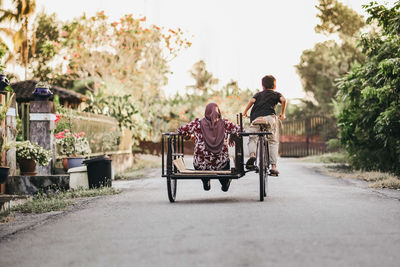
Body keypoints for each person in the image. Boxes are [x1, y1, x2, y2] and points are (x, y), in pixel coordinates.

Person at [177, 102, 240, 191]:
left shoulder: (197, 124)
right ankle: (224, 183)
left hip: (201, 165)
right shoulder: (225, 124)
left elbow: (180, 130)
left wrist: (189, 135)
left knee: (201, 163)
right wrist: (233, 135)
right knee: (223, 163)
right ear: (218, 112)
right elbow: (240, 129)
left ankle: (205, 180)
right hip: (221, 165)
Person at [243, 75, 286, 175]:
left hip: (256, 118)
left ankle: (252, 155)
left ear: (262, 86)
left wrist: (245, 111)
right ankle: (273, 166)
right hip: (269, 118)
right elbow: (283, 100)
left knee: (253, 138)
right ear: (274, 86)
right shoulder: (276, 94)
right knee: (272, 141)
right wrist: (283, 113)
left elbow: (252, 101)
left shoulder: (258, 94)